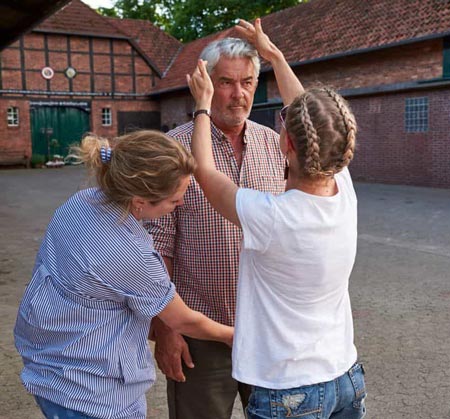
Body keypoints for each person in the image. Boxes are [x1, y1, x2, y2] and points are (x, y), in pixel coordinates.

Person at [186, 18, 366, 419]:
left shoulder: (271, 217)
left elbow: (203, 171)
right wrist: (275, 56)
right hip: (344, 375)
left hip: (291, 388)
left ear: (285, 142)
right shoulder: (344, 191)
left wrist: (201, 105)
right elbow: (313, 118)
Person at [13, 131, 234, 419]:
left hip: (50, 369)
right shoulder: (130, 255)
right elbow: (182, 319)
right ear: (140, 201)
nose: (180, 205)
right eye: (174, 201)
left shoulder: (81, 203)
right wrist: (234, 335)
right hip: (93, 394)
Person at [145, 37, 285, 419]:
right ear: (205, 82)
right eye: (226, 81)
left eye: (248, 82)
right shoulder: (174, 151)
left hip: (268, 332)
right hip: (200, 332)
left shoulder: (275, 146)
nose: (238, 94)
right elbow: (158, 249)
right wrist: (167, 329)